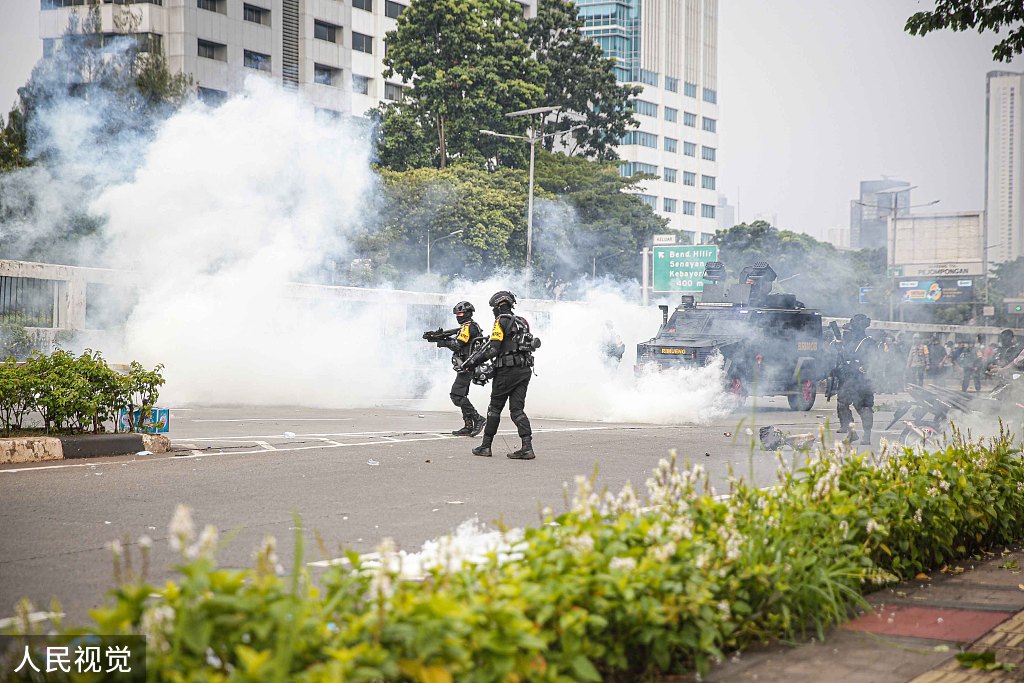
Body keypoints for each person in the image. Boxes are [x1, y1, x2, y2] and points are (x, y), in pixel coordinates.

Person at [460, 291, 539, 460]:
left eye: (494, 308)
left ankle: (486, 446)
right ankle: (527, 447)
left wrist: (474, 362)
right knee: (517, 410)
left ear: (499, 306)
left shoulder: (500, 321)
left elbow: (493, 348)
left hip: (507, 372)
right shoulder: (522, 322)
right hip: (524, 370)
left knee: (494, 409)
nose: (493, 312)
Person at [432, 301, 486, 437]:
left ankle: (477, 418)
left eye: (460, 313)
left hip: (468, 364)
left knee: (456, 395)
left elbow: (457, 344)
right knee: (462, 395)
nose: (458, 316)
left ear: (468, 313)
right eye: (457, 313)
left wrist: (443, 342)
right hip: (467, 364)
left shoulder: (468, 327)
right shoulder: (470, 326)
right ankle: (468, 426)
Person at [833, 313, 876, 444]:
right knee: (845, 404)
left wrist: (864, 367)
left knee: (863, 407)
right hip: (851, 378)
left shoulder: (867, 342)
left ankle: (864, 436)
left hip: (860, 378)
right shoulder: (853, 341)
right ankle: (855, 434)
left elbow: (873, 360)